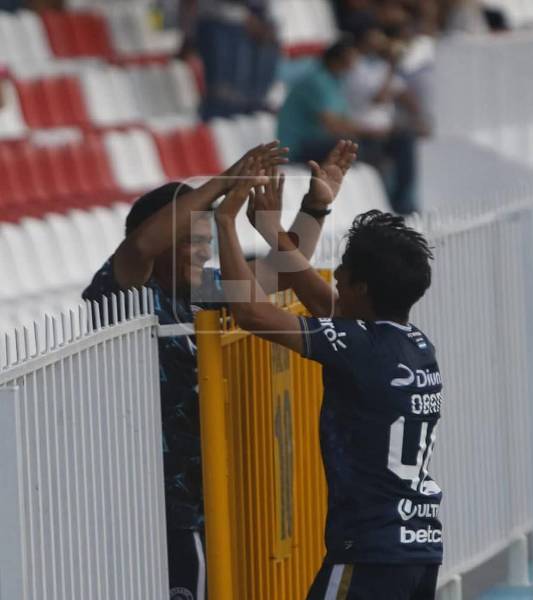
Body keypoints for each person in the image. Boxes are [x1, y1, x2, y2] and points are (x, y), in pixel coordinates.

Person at [82, 139, 358, 599]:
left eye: (205, 242)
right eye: (189, 241)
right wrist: (226, 181)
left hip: (206, 495)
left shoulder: (201, 292)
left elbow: (279, 273)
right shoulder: (124, 294)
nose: (201, 252)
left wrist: (316, 206)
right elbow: (140, 244)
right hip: (152, 505)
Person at [212, 165, 443, 599]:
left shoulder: (361, 346)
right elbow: (328, 307)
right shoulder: (414, 345)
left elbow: (252, 313)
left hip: (370, 554)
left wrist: (225, 223)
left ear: (364, 287)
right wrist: (277, 230)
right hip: (418, 549)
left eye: (344, 271)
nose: (334, 276)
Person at [278, 36, 419, 214]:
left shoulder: (335, 81)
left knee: (401, 141)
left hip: (320, 142)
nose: (354, 65)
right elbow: (333, 125)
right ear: (338, 60)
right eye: (351, 60)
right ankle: (380, 208)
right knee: (359, 150)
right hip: (300, 147)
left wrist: (376, 132)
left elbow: (343, 121)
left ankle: (402, 205)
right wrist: (371, 132)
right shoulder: (317, 81)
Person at [182, 0, 281, 119]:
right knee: (223, 99)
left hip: (248, 20)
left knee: (246, 101)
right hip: (218, 20)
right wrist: (188, 35)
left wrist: (258, 15)